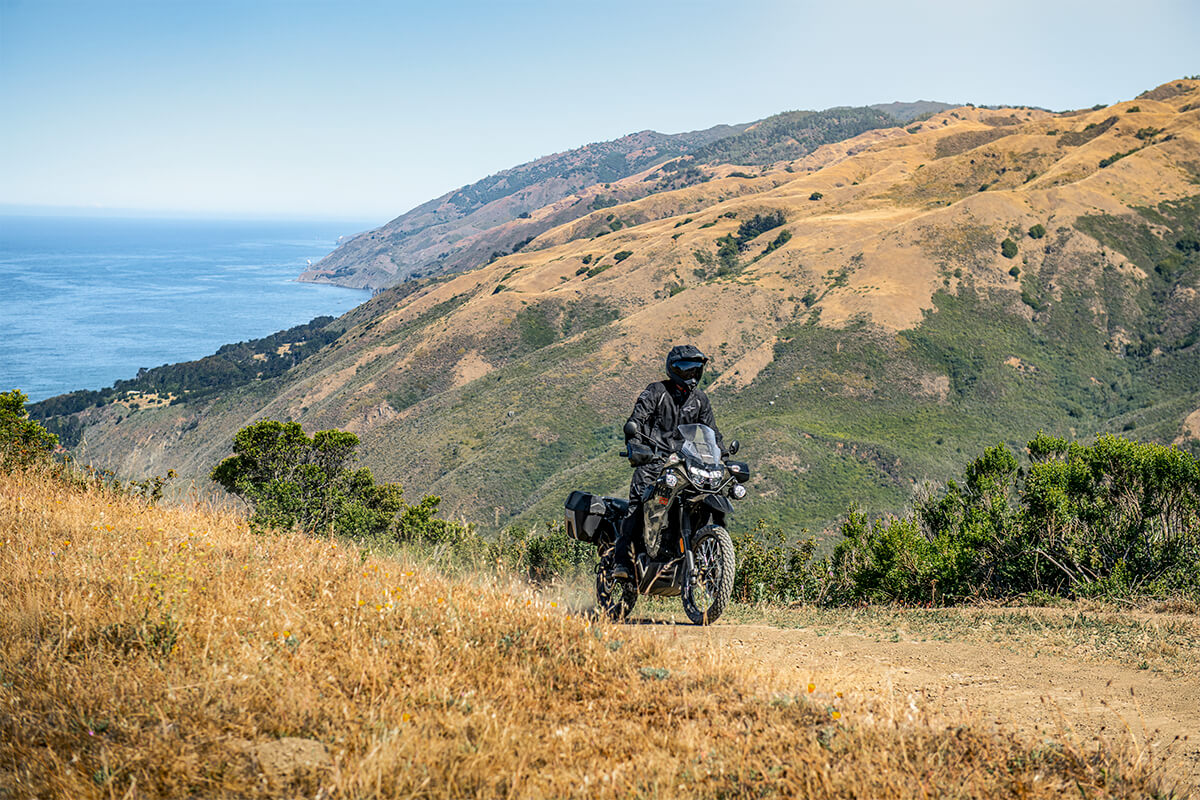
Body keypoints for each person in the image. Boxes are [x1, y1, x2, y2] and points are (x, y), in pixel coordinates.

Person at [612, 344, 724, 580]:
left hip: (687, 465)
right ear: (673, 369)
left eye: (695, 369)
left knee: (706, 500)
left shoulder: (700, 400)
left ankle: (712, 559)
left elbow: (712, 432)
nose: (691, 375)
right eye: (685, 369)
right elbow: (636, 421)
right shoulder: (656, 392)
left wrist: (722, 455)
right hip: (654, 463)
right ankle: (620, 563)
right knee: (638, 508)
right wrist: (636, 446)